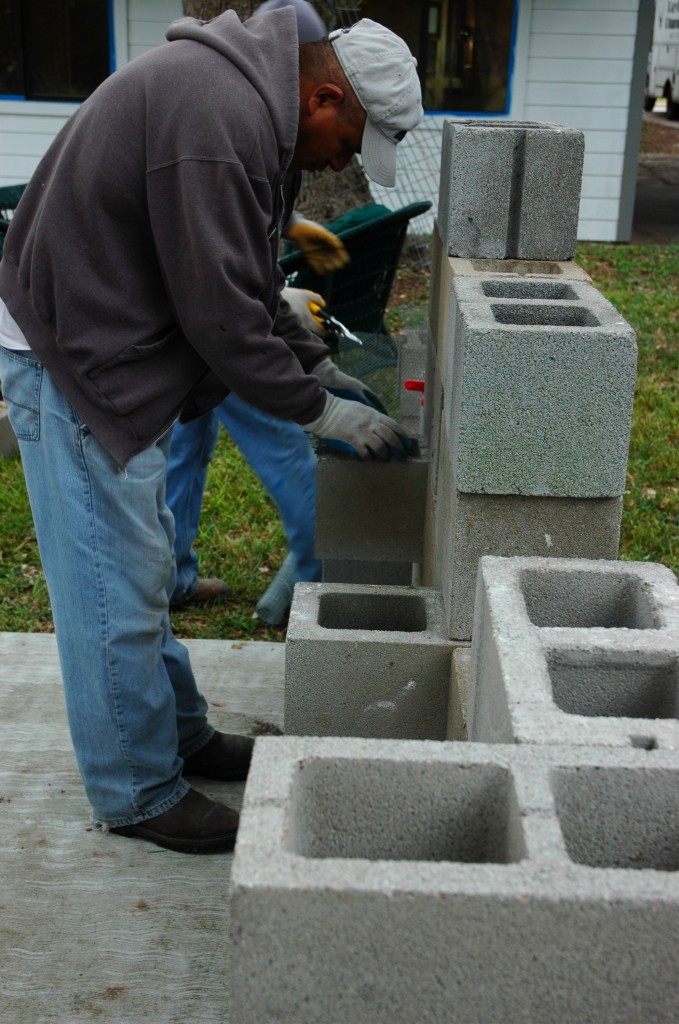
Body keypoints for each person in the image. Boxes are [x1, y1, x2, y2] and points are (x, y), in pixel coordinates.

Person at [0, 9, 423, 854]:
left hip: (107, 329)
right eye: (349, 142)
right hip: (75, 351)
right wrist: (317, 409)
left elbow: (250, 273)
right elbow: (219, 314)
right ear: (324, 95)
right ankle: (138, 790)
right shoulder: (218, 122)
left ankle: (179, 736)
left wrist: (314, 363)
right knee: (110, 584)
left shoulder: (252, 117)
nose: (344, 161)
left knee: (145, 565)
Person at [166, 0, 344, 625]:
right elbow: (216, 202)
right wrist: (319, 398)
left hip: (190, 309)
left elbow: (234, 200)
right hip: (197, 314)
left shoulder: (262, 112)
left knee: (187, 438)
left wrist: (295, 228)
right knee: (275, 425)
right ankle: (316, 564)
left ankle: (173, 573)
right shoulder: (224, 102)